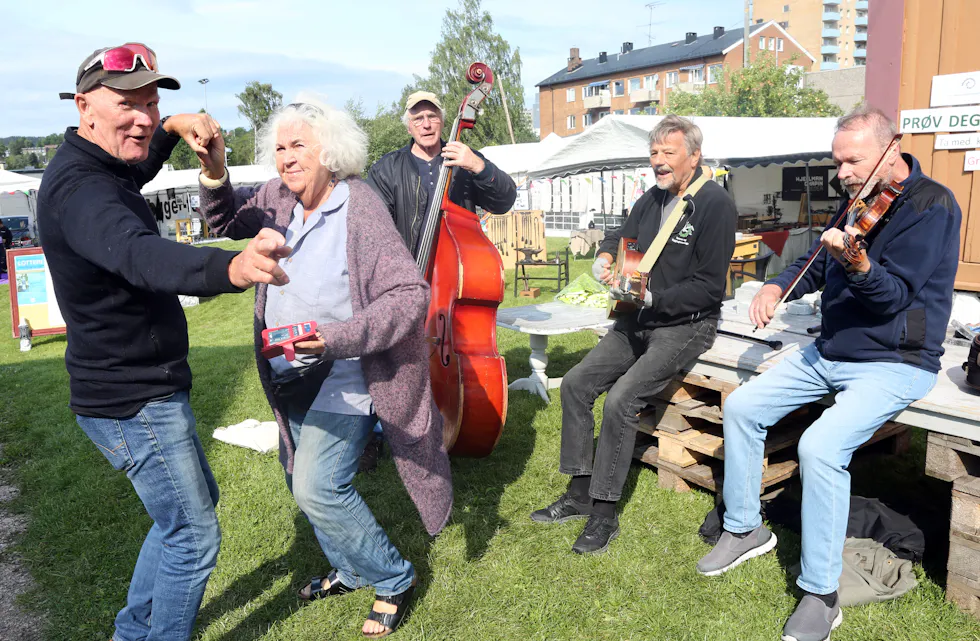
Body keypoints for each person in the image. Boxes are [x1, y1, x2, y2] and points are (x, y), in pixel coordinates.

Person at [37, 44, 288, 641]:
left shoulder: (95, 164)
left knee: (186, 509)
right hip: (134, 398)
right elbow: (138, 253)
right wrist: (227, 269)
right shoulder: (82, 191)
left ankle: (133, 631)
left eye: (151, 101)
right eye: (128, 103)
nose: (144, 117)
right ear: (84, 106)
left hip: (131, 388)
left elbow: (137, 167)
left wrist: (172, 127)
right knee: (193, 534)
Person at [696, 106, 961, 641]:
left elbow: (892, 297)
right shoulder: (858, 198)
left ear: (891, 150)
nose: (841, 173)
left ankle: (821, 593)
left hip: (896, 360)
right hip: (833, 350)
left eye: (852, 161)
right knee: (744, 406)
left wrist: (859, 264)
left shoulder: (934, 206)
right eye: (838, 161)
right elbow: (819, 258)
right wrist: (777, 283)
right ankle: (745, 528)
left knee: (820, 447)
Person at [198, 96, 452, 638]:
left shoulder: (358, 205)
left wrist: (334, 339)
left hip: (345, 373)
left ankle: (393, 576)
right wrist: (215, 171)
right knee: (301, 478)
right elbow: (222, 219)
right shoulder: (278, 198)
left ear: (329, 151)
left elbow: (409, 295)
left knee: (318, 487)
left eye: (299, 146)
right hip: (288, 370)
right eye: (281, 147)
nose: (287, 158)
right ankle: (352, 567)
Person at [531, 115, 737, 554]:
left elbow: (709, 285)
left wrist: (653, 299)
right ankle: (579, 493)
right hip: (635, 318)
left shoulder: (715, 204)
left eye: (669, 153)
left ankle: (604, 514)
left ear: (694, 156)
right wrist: (606, 256)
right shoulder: (651, 199)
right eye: (654, 153)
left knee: (623, 399)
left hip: (685, 324)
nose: (659, 162)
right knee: (574, 384)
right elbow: (619, 236)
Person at [366, 90, 517, 257]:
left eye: (432, 116)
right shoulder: (386, 169)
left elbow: (504, 202)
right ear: (409, 127)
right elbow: (374, 228)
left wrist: (478, 167)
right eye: (417, 119)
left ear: (443, 122)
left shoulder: (465, 158)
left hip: (458, 269)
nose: (426, 125)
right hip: (407, 275)